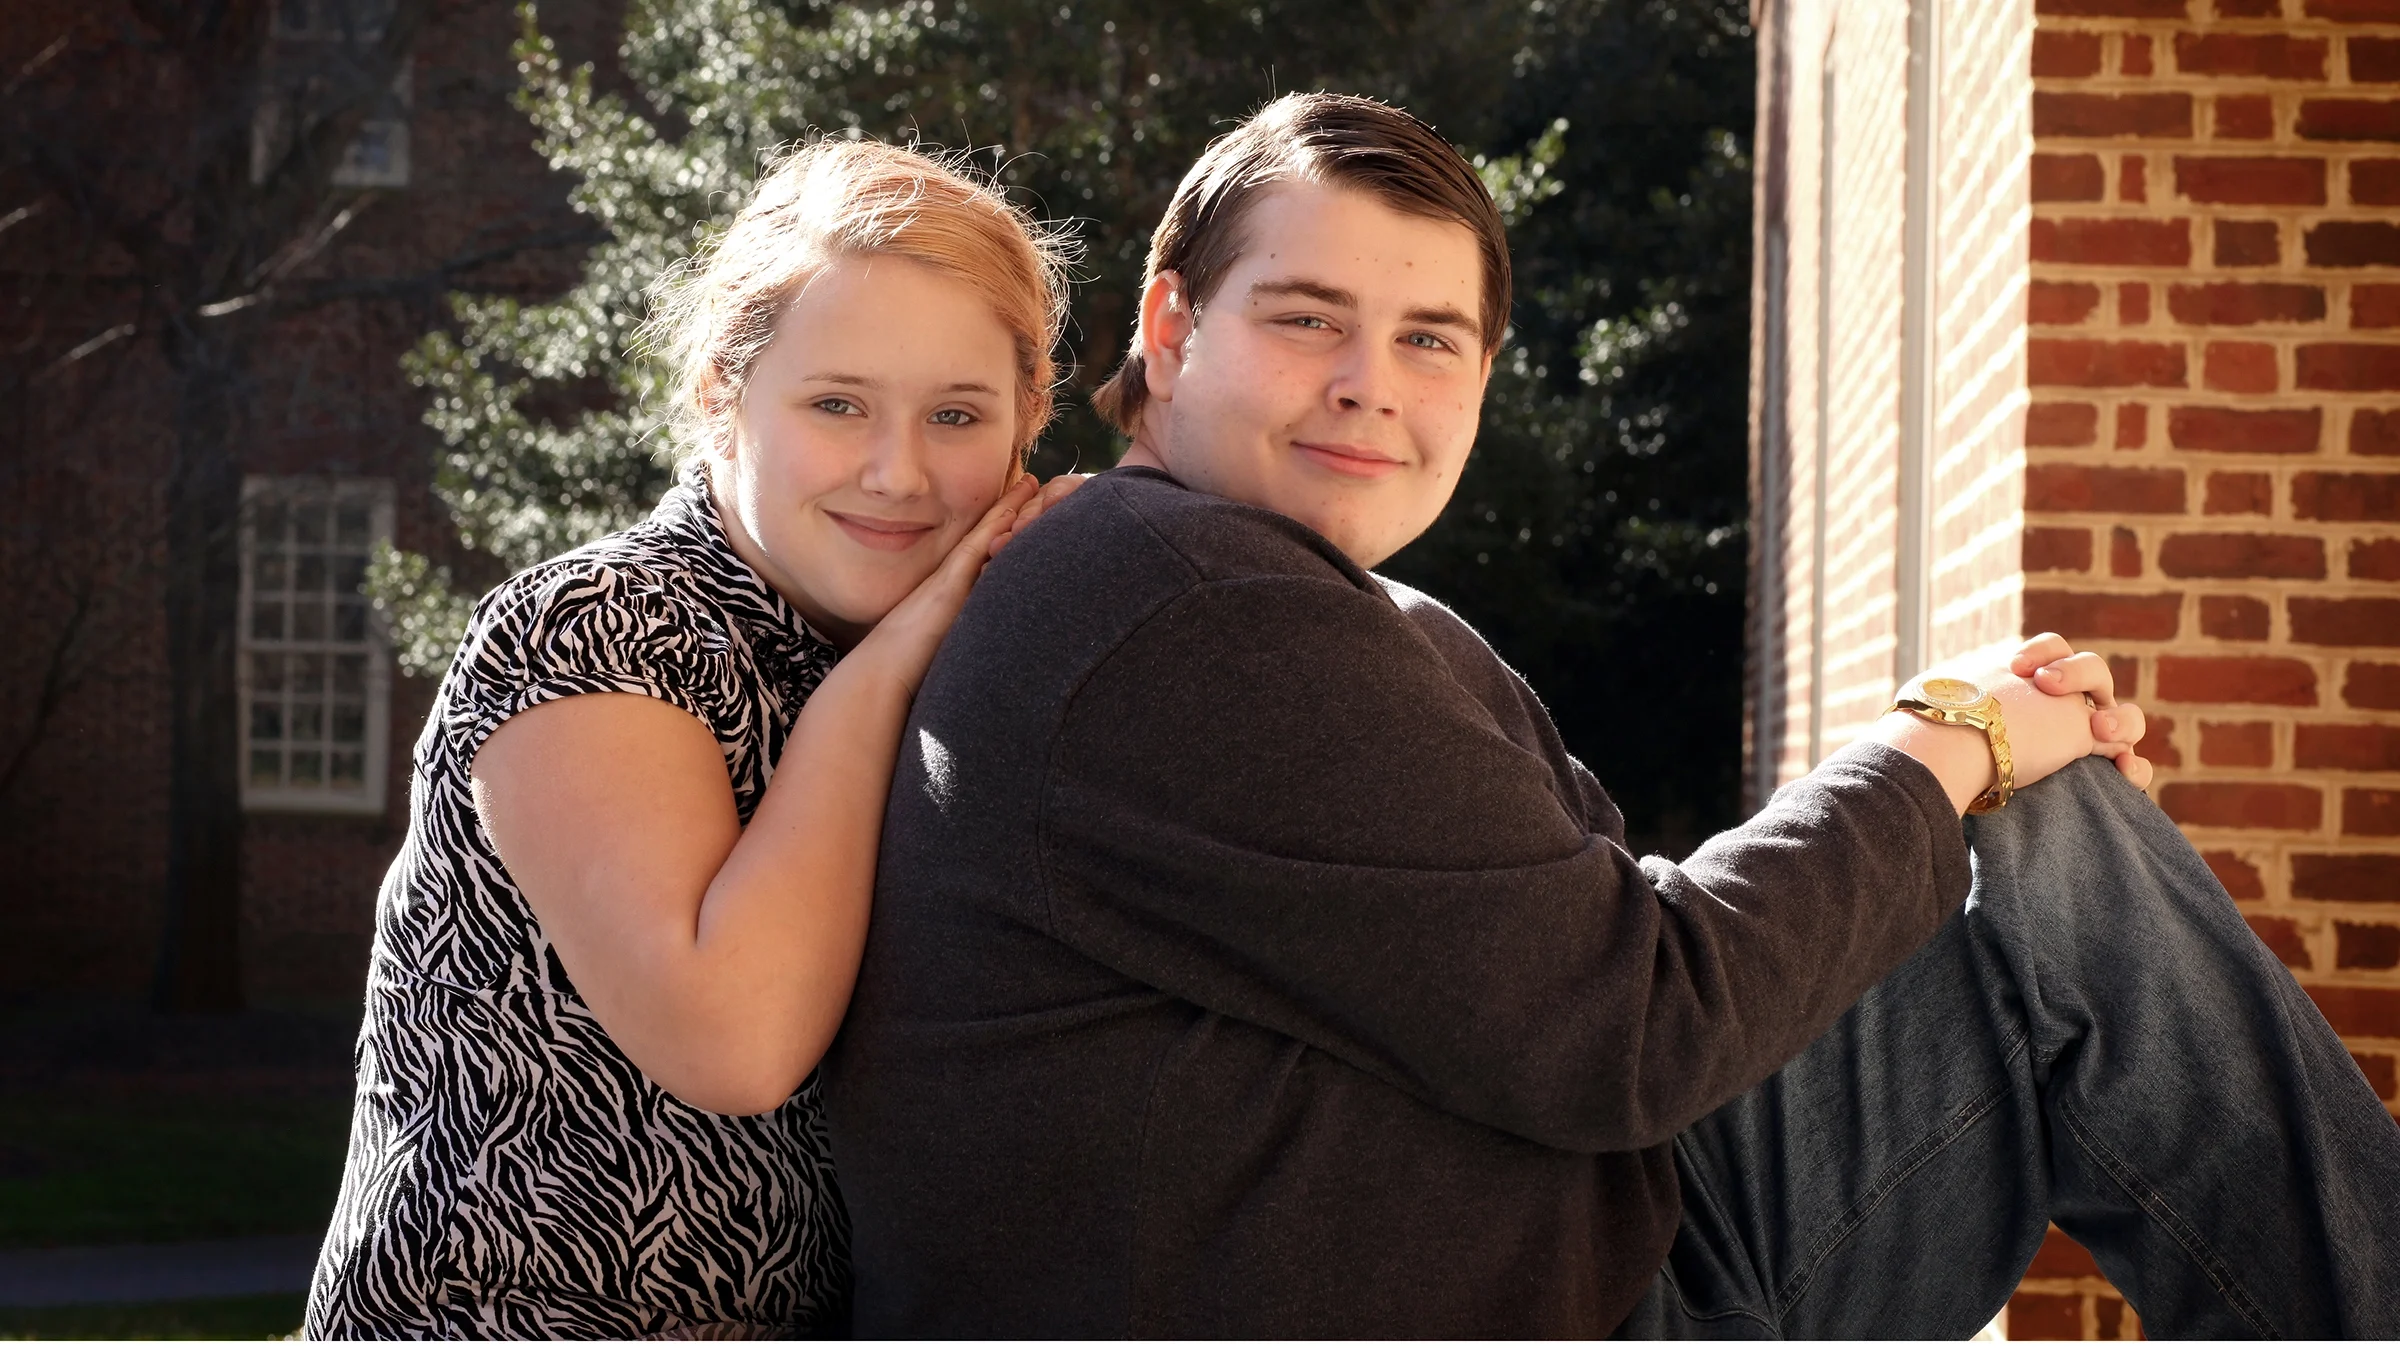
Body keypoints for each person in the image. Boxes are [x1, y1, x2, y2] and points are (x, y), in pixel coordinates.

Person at [819, 92, 2400, 1338]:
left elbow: (1575, 949)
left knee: (2029, 836)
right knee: (2052, 857)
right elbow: (1630, 1027)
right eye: (1307, 316)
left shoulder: (1322, 606)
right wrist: (1952, 738)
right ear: (1169, 330)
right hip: (1572, 1304)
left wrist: (1967, 760)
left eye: (1431, 337)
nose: (1372, 380)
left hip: (1575, 1239)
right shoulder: (1177, 597)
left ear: (1485, 377)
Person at [304, 139, 1080, 1338]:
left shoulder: (979, 652)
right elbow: (736, 1042)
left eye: (957, 415)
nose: (899, 472)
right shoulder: (587, 629)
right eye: (836, 405)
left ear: (1029, 418)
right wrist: (883, 674)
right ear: (723, 390)